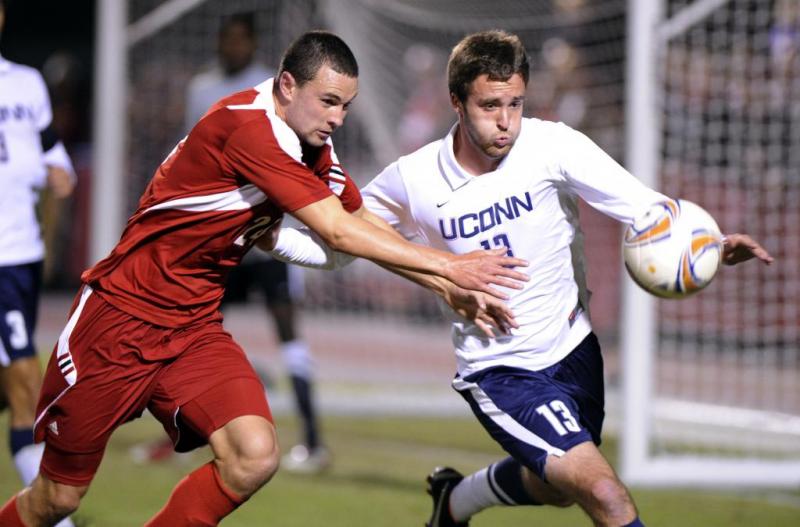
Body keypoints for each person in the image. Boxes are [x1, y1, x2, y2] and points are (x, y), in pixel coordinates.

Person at [0, 30, 528, 527]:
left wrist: (444, 287)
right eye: (328, 101)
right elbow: (337, 234)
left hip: (192, 329)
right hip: (120, 323)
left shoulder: (311, 140)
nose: (338, 117)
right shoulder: (248, 129)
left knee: (253, 455)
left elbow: (357, 218)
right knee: (57, 498)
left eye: (346, 105)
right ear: (288, 84)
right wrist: (450, 265)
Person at [268, 30, 774, 527]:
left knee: (558, 489)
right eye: (490, 106)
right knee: (606, 495)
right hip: (500, 369)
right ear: (456, 102)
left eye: (516, 104)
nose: (506, 122)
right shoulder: (413, 179)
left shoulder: (552, 145)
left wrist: (706, 244)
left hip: (575, 349)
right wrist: (271, 239)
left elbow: (645, 209)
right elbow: (339, 245)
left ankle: (455, 500)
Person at [135, 12, 331, 474]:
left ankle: (313, 439)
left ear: (253, 44)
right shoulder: (200, 88)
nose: (232, 47)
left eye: (240, 40)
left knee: (289, 333)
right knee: (186, 328)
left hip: (262, 234)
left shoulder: (270, 92)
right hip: (219, 237)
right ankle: (180, 434)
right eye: (227, 39)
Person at [0, 1, 76, 526]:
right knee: (26, 382)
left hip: (22, 254)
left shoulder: (26, 83)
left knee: (15, 391)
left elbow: (54, 158)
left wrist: (58, 175)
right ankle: (54, 516)